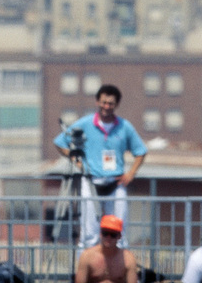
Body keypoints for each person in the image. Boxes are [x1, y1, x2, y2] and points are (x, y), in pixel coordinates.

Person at [53, 83, 148, 248]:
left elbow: (140, 151)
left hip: (115, 183)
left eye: (110, 103)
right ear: (97, 102)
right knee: (89, 233)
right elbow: (60, 142)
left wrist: (131, 173)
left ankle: (118, 270)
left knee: (119, 231)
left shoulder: (125, 127)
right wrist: (76, 161)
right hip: (91, 182)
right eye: (103, 102)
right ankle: (86, 270)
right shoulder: (85, 123)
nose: (106, 106)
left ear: (116, 105)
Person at [71, 215, 139, 283]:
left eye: (113, 234)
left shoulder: (128, 259)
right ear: (100, 234)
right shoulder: (87, 256)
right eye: (105, 233)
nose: (108, 237)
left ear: (119, 236)